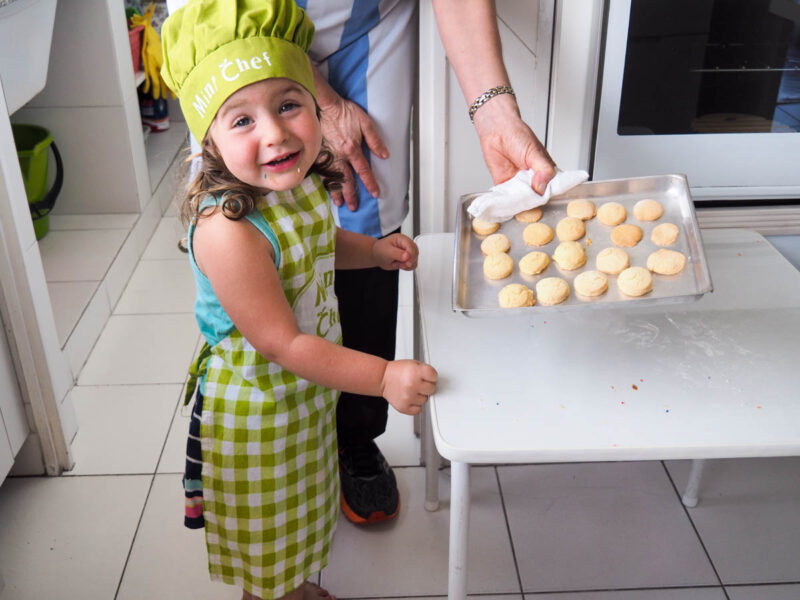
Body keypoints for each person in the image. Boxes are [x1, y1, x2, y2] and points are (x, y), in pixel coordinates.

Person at [159, 2, 438, 599]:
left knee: (305, 505)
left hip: (305, 394)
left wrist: (373, 252)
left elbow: (319, 245)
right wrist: (384, 375)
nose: (276, 133)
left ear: (317, 106)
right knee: (268, 528)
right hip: (259, 409)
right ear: (207, 142)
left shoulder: (298, 184)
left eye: (288, 104)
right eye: (241, 121)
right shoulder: (227, 232)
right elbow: (283, 343)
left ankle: (292, 586)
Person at [299, 0, 557, 525]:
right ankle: (284, 444)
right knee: (269, 243)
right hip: (242, 42)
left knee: (366, 227)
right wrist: (315, 103)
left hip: (368, 25)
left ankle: (354, 437)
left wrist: (495, 114)